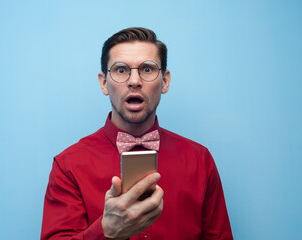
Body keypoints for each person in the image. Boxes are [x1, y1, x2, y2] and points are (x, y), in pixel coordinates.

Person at [41, 27, 233, 240]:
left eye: (147, 69)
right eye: (121, 70)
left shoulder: (200, 160)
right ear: (104, 82)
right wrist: (106, 232)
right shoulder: (68, 165)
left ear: (165, 81)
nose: (134, 81)